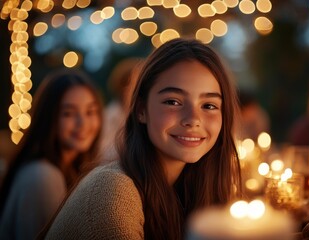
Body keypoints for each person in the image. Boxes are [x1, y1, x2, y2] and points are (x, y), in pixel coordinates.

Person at [42, 38, 243, 240]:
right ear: (140, 110)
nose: (193, 119)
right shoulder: (112, 189)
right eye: (173, 101)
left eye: (209, 105)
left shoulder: (192, 189)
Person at [0, 68, 103, 240]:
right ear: (48, 117)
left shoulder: (70, 169)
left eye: (90, 112)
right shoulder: (42, 176)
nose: (82, 123)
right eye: (68, 113)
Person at [99, 58, 143, 163]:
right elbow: (103, 154)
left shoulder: (145, 115)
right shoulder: (108, 117)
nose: (133, 90)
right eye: (129, 85)